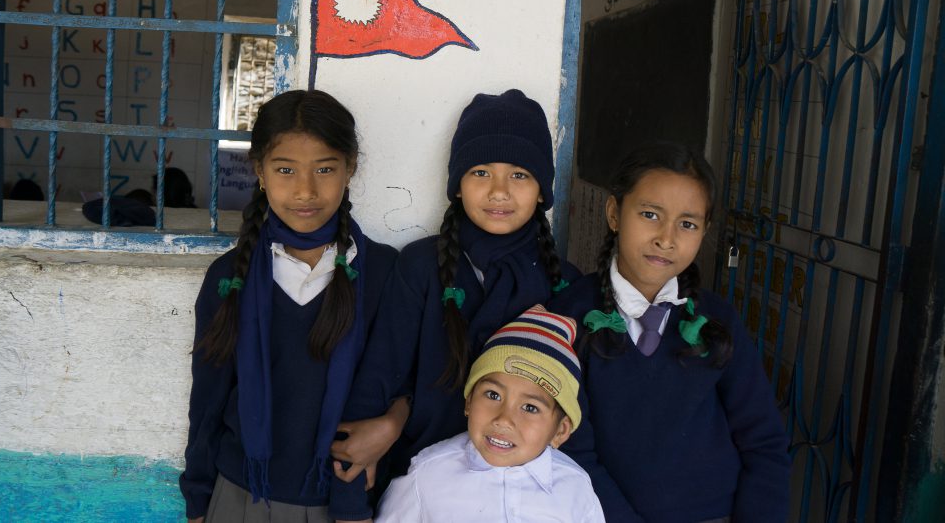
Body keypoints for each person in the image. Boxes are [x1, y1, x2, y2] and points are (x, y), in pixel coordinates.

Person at [328, 89, 580, 521]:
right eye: (480, 172)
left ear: (542, 190)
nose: (499, 191)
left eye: (519, 175)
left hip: (523, 503)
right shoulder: (422, 266)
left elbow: (572, 411)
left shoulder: (563, 286)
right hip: (419, 493)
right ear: (457, 186)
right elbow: (374, 386)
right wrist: (353, 510)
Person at [179, 90, 398, 523]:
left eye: (325, 169)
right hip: (240, 496)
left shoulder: (386, 273)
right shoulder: (230, 277)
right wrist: (199, 499)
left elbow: (403, 380)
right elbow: (207, 399)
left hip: (342, 505)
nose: (305, 190)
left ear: (350, 168)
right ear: (259, 172)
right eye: (285, 170)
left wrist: (392, 423)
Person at [552, 141, 790, 523]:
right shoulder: (568, 319)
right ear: (614, 213)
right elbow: (570, 451)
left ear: (705, 231)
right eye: (649, 214)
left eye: (688, 223)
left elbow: (764, 441)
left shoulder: (717, 322)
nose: (667, 238)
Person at [375, 305, 605, 522]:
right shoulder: (428, 475)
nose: (504, 419)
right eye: (493, 395)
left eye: (530, 408)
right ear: (468, 402)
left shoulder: (575, 489)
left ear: (561, 431)